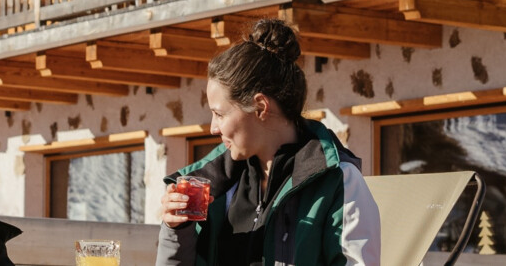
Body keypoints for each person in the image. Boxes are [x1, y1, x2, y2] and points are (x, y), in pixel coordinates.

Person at [156, 19, 379, 266]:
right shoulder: (215, 185)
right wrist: (177, 231)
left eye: (220, 114)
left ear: (260, 107)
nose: (213, 128)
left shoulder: (340, 182)